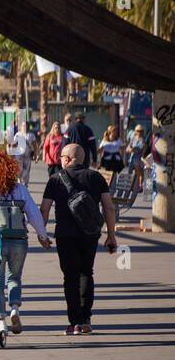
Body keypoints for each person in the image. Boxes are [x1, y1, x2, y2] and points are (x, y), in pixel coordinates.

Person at [39, 143, 117, 335]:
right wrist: (111, 235)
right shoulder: (96, 177)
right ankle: (86, 320)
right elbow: (109, 207)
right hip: (90, 234)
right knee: (86, 273)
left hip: (65, 235)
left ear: (66, 159)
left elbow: (45, 209)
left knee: (70, 277)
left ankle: (74, 322)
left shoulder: (55, 180)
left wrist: (42, 234)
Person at [0, 151, 51, 335]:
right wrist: (43, 236)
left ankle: (0, 321)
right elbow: (34, 215)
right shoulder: (20, 189)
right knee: (14, 278)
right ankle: (15, 308)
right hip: (19, 241)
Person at [9, 121, 36, 187]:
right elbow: (13, 144)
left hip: (27, 155)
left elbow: (35, 145)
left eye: (26, 125)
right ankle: (19, 184)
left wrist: (35, 154)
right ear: (21, 127)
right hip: (19, 156)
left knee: (26, 171)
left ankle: (24, 184)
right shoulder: (18, 134)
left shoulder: (31, 135)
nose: (25, 127)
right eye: (23, 126)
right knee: (19, 170)